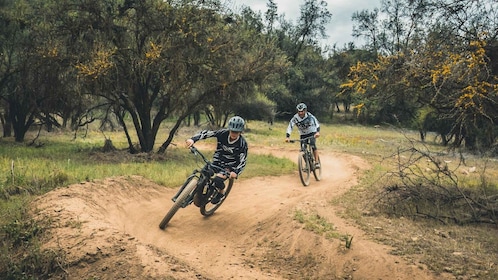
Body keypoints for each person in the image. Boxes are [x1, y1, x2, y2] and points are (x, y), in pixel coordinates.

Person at [185, 116, 248, 204]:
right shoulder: (222, 133)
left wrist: (236, 172)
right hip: (217, 161)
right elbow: (207, 133)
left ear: (240, 132)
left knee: (218, 180)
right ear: (229, 129)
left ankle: (221, 193)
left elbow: (243, 160)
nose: (234, 134)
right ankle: (197, 193)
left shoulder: (242, 144)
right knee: (204, 173)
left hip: (229, 167)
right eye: (232, 131)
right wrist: (193, 139)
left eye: (236, 132)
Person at [285, 103, 321, 168]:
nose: (301, 113)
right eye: (299, 111)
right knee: (303, 149)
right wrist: (287, 137)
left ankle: (317, 162)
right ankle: (307, 164)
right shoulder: (295, 118)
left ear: (305, 111)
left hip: (312, 132)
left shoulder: (310, 116)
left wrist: (318, 132)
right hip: (303, 134)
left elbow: (317, 123)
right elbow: (290, 127)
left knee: (313, 145)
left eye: (302, 111)